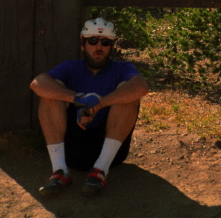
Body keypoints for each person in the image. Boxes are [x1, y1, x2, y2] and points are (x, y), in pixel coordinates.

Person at [30, 17, 148, 198]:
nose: (98, 47)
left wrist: (99, 105)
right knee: (49, 98)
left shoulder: (122, 68)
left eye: (105, 42)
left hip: (109, 149)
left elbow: (140, 87)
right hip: (72, 147)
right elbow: (37, 84)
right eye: (92, 41)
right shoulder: (71, 67)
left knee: (129, 98)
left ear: (112, 46)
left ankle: (100, 171)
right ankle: (59, 171)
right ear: (83, 44)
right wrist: (78, 98)